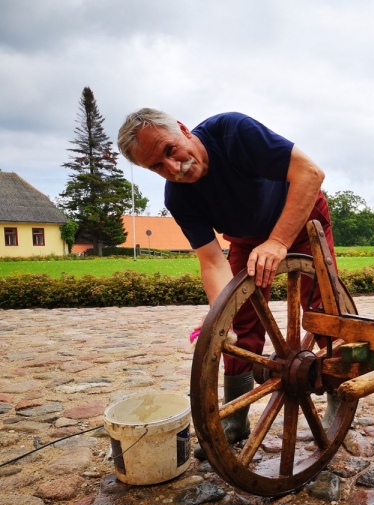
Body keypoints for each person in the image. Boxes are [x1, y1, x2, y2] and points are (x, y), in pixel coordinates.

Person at [117, 109, 336, 459]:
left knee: (324, 308)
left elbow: (310, 174)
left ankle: (339, 390)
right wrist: (221, 318)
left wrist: (278, 241)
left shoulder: (233, 134)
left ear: (184, 131)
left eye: (170, 150)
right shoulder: (178, 197)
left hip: (300, 217)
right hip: (247, 238)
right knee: (238, 325)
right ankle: (235, 419)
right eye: (157, 167)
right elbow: (212, 260)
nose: (173, 168)